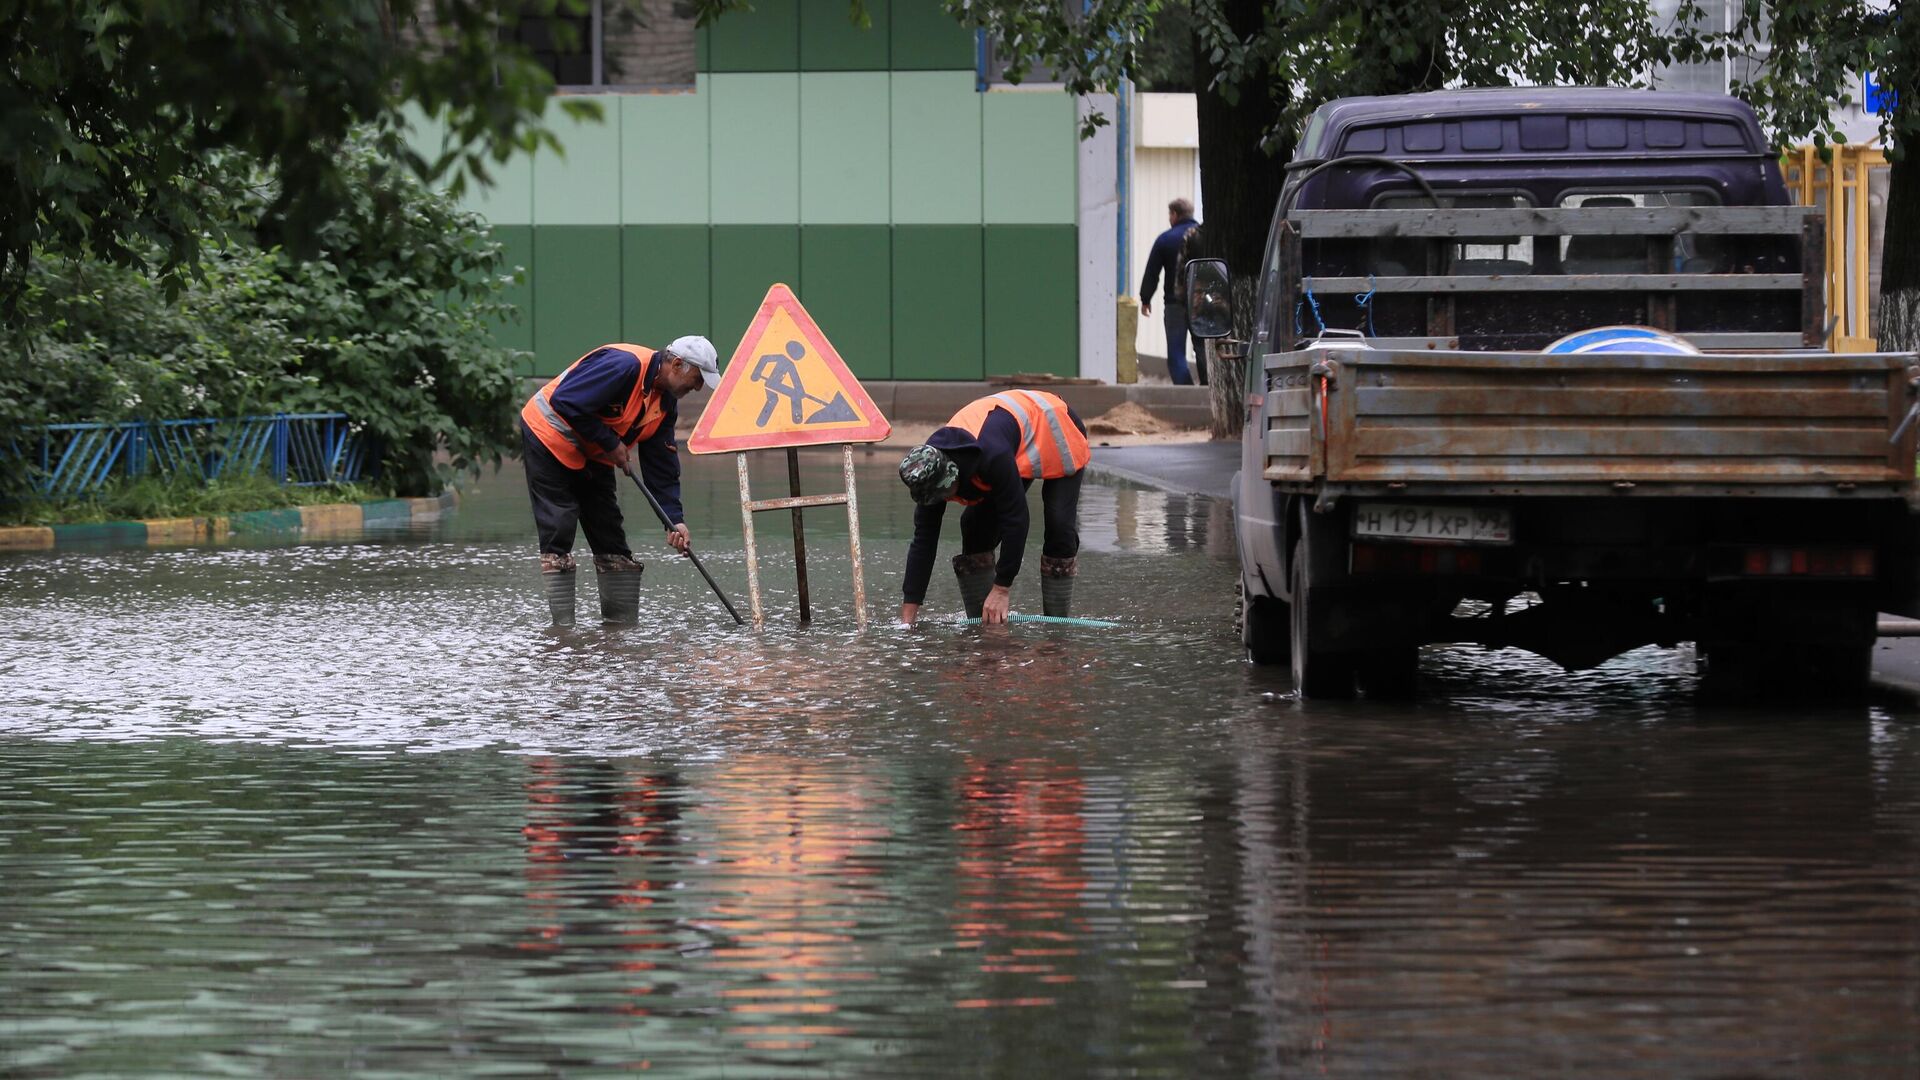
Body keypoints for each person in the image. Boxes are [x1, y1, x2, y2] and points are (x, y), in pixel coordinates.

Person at [519, 337, 720, 625]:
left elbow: (661, 466)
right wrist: (610, 443)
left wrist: (673, 519)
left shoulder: (666, 405)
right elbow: (565, 400)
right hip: (548, 434)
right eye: (698, 379)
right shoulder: (624, 366)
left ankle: (620, 630)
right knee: (559, 523)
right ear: (677, 364)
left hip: (594, 450)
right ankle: (563, 633)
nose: (699, 387)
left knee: (610, 534)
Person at [896, 389, 1091, 626]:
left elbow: (1017, 519)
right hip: (1016, 438)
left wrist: (1002, 587)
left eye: (946, 493)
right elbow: (923, 540)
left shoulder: (991, 455)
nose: (944, 500)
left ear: (953, 474)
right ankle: (984, 624)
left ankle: (1057, 626)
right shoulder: (926, 469)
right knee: (975, 527)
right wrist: (908, 619)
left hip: (1056, 425)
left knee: (1059, 523)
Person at [1140, 197, 1201, 385]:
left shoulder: (1166, 239)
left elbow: (1152, 272)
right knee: (1202, 348)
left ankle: (1186, 392)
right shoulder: (1202, 236)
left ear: (1174, 214)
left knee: (1176, 353)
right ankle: (1207, 390)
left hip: (1175, 304)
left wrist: (1146, 298)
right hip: (1201, 303)